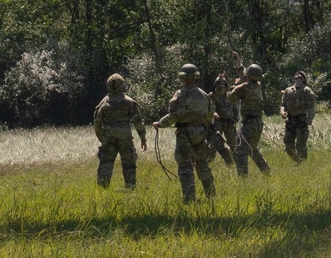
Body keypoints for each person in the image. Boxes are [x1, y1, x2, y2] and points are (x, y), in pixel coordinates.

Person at [153, 63, 215, 203]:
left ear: (181, 77)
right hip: (200, 132)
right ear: (196, 77)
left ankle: (189, 199)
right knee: (202, 164)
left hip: (184, 134)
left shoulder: (180, 94)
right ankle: (211, 195)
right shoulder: (204, 94)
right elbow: (210, 115)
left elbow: (174, 115)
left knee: (185, 166)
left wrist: (159, 124)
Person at [93, 73, 148, 188]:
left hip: (108, 138)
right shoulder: (129, 102)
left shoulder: (103, 103)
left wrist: (102, 138)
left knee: (105, 165)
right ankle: (130, 187)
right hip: (125, 138)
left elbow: (97, 124)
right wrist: (143, 138)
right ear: (122, 86)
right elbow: (137, 122)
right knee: (129, 164)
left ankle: (102, 189)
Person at [228, 63, 271, 176]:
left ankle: (243, 177)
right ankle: (266, 171)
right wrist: (240, 65)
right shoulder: (259, 85)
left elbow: (231, 98)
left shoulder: (242, 88)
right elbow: (248, 77)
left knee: (240, 151)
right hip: (258, 123)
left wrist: (233, 86)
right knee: (252, 149)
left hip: (249, 124)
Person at [207, 51, 245, 165]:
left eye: (223, 84)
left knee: (233, 144)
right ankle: (209, 162)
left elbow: (235, 108)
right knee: (214, 144)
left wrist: (235, 118)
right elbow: (210, 107)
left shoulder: (231, 93)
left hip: (230, 123)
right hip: (218, 123)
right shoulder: (212, 96)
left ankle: (238, 164)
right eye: (219, 84)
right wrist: (213, 114)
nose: (221, 86)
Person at [280, 71, 317, 163]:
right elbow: (283, 104)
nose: (298, 76)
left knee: (300, 145)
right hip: (290, 121)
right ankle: (298, 161)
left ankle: (303, 164)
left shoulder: (307, 90)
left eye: (300, 76)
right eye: (296, 75)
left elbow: (311, 106)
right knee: (288, 144)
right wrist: (282, 112)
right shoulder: (288, 91)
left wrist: (310, 118)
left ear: (304, 79)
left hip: (301, 121)